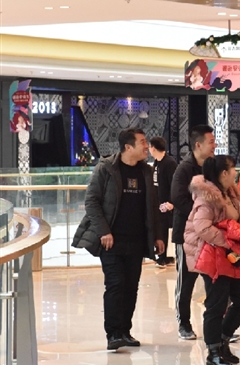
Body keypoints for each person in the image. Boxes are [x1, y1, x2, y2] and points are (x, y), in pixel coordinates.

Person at [72, 127, 165, 350]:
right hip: (111, 240)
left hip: (137, 240)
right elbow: (92, 202)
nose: (146, 146)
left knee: (131, 287)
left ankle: (125, 331)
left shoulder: (146, 170)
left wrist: (158, 235)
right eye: (142, 142)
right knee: (115, 285)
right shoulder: (106, 168)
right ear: (128, 147)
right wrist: (104, 231)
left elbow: (152, 206)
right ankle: (113, 334)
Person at [184, 155, 240, 365]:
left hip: (230, 258)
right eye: (233, 168)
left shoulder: (230, 194)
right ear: (224, 173)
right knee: (216, 305)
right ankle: (213, 352)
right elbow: (202, 228)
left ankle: (223, 339)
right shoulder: (206, 197)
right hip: (212, 258)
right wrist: (229, 242)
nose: (236, 172)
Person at [171, 125, 216, 340]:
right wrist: (200, 216)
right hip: (187, 234)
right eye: (211, 142)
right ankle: (184, 324)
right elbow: (177, 198)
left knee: (214, 281)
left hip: (209, 234)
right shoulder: (184, 169)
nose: (214, 145)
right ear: (198, 145)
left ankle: (216, 324)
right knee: (186, 281)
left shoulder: (211, 167)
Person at [149, 136, 178, 267]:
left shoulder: (169, 163)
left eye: (150, 147)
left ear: (154, 148)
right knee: (160, 228)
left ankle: (164, 257)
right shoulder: (157, 163)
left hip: (167, 203)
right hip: (158, 202)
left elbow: (174, 184)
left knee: (165, 229)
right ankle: (164, 256)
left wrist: (171, 202)